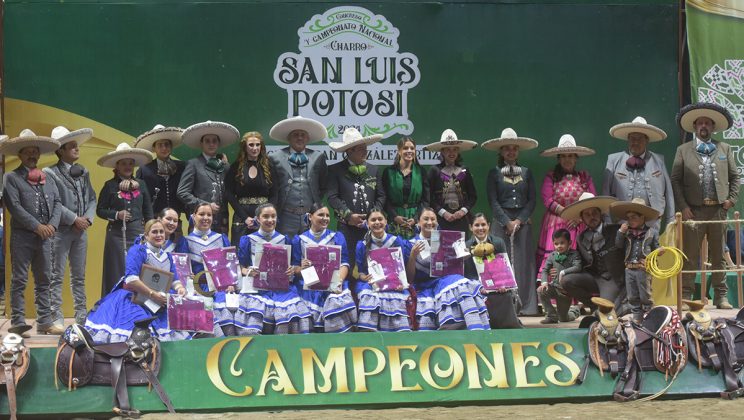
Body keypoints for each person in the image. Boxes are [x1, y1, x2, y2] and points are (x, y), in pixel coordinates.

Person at [671, 102, 739, 309]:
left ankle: (721, 297)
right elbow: (675, 180)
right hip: (693, 211)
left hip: (718, 210)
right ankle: (686, 295)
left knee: (718, 256)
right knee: (690, 256)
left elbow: (735, 177)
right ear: (694, 127)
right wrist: (683, 206)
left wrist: (731, 200)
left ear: (712, 127)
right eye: (700, 123)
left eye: (707, 123)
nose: (704, 126)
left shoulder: (724, 148)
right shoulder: (683, 150)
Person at [84, 219, 189, 343]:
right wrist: (152, 294)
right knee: (140, 329)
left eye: (161, 232)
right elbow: (131, 279)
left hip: (158, 302)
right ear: (146, 235)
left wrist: (180, 288)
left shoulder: (168, 256)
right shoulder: (138, 251)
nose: (159, 235)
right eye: (154, 232)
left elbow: (174, 279)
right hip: (135, 299)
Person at [1, 130, 62, 336]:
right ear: (20, 155)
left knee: (44, 279)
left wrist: (52, 225)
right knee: (19, 280)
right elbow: (14, 207)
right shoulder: (11, 177)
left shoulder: (48, 179)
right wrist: (38, 226)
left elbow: (57, 204)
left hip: (45, 237)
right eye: (27, 152)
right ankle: (18, 322)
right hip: (22, 237)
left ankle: (45, 321)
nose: (32, 155)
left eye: (35, 151)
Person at [44, 126, 97, 326]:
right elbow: (53, 203)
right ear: (61, 150)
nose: (76, 149)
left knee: (79, 276)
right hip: (61, 232)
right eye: (72, 146)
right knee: (56, 275)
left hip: (81, 232)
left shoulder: (84, 171)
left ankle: (81, 315)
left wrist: (88, 219)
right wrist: (75, 218)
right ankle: (55, 316)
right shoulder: (50, 173)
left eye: (76, 146)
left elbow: (92, 198)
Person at [482, 128, 539, 315]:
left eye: (514, 149)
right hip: (501, 223)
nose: (511, 152)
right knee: (500, 262)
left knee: (523, 264)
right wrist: (507, 222)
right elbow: (493, 200)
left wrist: (519, 220)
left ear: (518, 151)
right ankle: (504, 307)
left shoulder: (527, 172)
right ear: (501, 151)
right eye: (507, 149)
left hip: (522, 224)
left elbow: (532, 200)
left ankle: (527, 307)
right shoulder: (494, 172)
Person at [406, 208, 489, 330]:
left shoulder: (449, 239)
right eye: (426, 219)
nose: (430, 222)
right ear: (418, 222)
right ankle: (448, 326)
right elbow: (409, 279)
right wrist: (413, 256)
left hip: (444, 281)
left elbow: (455, 267)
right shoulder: (410, 244)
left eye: (433, 219)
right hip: (424, 286)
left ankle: (474, 328)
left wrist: (463, 257)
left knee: (460, 282)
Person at [237, 203, 311, 334]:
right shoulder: (247, 240)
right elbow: (240, 266)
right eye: (266, 216)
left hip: (281, 289)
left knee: (289, 320)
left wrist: (291, 271)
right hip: (256, 288)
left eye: (273, 216)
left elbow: (292, 265)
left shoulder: (285, 239)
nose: (270, 220)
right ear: (258, 219)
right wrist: (248, 271)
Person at [537, 134, 596, 284]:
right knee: (556, 259)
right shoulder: (551, 176)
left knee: (577, 260)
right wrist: (568, 214)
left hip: (579, 224)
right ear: (558, 158)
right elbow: (547, 199)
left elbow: (592, 198)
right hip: (557, 223)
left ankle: (577, 297)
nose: (567, 159)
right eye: (563, 156)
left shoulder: (584, 177)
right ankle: (553, 294)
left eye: (570, 156)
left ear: (576, 158)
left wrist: (578, 217)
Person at [96, 143, 154, 297]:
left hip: (138, 233)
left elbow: (148, 210)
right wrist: (116, 215)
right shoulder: (110, 186)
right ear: (117, 165)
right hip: (116, 235)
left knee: (139, 268)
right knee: (116, 268)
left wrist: (150, 231)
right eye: (124, 163)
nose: (128, 167)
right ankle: (115, 302)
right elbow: (100, 210)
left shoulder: (141, 184)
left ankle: (139, 303)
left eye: (130, 163)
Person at [291, 204, 357, 332]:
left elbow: (344, 263)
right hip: (308, 284)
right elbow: (295, 268)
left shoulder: (337, 237)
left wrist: (338, 282)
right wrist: (301, 268)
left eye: (327, 215)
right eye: (321, 215)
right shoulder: (299, 239)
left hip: (333, 282)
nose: (325, 218)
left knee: (337, 300)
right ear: (310, 217)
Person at [327, 127, 386, 272]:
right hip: (346, 227)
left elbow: (381, 195)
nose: (365, 151)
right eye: (361, 149)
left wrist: (374, 216)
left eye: (365, 148)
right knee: (347, 261)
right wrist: (348, 216)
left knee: (372, 263)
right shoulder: (335, 170)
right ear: (349, 151)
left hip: (371, 227)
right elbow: (332, 197)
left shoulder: (373, 169)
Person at [559, 193, 626, 313]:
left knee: (607, 310)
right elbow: (581, 264)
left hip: (612, 279)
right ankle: (594, 306)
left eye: (594, 213)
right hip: (594, 278)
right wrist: (563, 271)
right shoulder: (581, 237)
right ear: (582, 218)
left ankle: (604, 308)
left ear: (600, 214)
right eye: (587, 214)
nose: (592, 217)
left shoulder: (616, 230)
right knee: (566, 280)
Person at [603, 116, 674, 228]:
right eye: (632, 138)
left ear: (647, 140)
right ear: (628, 139)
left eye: (639, 138)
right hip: (622, 221)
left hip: (652, 221)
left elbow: (668, 192)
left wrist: (671, 220)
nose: (635, 142)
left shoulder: (658, 160)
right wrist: (607, 221)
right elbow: (606, 193)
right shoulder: (614, 160)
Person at [175, 203, 232, 335]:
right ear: (193, 217)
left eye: (209, 215)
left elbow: (230, 265)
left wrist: (230, 283)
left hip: (221, 288)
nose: (205, 218)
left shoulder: (221, 238)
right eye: (201, 214)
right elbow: (182, 271)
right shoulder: (185, 241)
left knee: (229, 322)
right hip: (198, 289)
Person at [268, 116, 328, 238]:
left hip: (311, 215)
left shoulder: (318, 157)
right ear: (288, 138)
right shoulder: (275, 157)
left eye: (303, 134)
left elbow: (323, 185)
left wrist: (313, 206)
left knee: (310, 250)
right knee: (286, 250)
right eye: (295, 134)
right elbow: (272, 187)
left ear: (308, 138)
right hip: (285, 215)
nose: (299, 137)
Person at [177, 120, 239, 234]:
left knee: (222, 251)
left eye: (214, 141)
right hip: (200, 222)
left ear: (218, 144)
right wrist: (205, 206)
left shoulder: (225, 166)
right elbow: (182, 192)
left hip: (222, 222)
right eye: (207, 141)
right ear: (201, 144)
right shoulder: (193, 164)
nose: (211, 144)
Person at [354, 209, 411, 332]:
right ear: (367, 223)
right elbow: (360, 272)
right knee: (368, 295)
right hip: (371, 283)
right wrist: (364, 277)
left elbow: (402, 268)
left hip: (394, 282)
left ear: (386, 222)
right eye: (373, 220)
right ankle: (369, 332)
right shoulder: (361, 245)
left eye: (380, 219)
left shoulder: (396, 241)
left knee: (396, 297)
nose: (377, 222)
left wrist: (402, 282)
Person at [464, 213, 521, 329]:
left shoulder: (498, 242)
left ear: (488, 225)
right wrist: (478, 287)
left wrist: (504, 284)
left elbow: (505, 267)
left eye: (483, 225)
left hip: (497, 286)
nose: (480, 228)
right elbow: (467, 273)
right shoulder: (466, 246)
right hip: (476, 287)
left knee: (505, 295)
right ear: (471, 227)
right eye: (477, 225)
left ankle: (508, 326)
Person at [610, 198, 660, 324]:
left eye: (633, 217)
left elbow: (656, 249)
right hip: (629, 268)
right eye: (628, 218)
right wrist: (620, 232)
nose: (630, 221)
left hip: (643, 268)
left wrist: (659, 251)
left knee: (645, 294)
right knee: (632, 295)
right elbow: (618, 245)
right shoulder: (626, 233)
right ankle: (637, 315)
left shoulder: (652, 232)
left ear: (642, 217)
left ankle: (648, 314)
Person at [134, 125, 186, 236]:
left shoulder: (182, 167)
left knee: (177, 251)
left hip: (175, 221)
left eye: (166, 145)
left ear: (171, 147)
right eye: (160, 145)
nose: (164, 148)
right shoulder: (144, 169)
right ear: (154, 148)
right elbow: (139, 196)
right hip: (153, 220)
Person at [225, 131, 274, 246]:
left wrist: (266, 215)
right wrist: (245, 217)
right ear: (244, 147)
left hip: (263, 215)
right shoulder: (235, 167)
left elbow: (275, 194)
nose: (254, 148)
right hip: (241, 216)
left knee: (264, 252)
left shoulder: (269, 166)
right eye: (251, 145)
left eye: (257, 145)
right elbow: (229, 194)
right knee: (240, 250)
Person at [424, 129, 478, 232]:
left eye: (454, 149)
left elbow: (473, 196)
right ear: (442, 151)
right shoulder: (434, 170)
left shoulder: (464, 170)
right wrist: (443, 213)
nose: (451, 153)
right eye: (448, 149)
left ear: (458, 151)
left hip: (462, 220)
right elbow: (428, 197)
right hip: (439, 220)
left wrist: (463, 211)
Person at [382, 137, 430, 239]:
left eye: (412, 148)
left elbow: (425, 200)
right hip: (394, 221)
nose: (409, 151)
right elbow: (384, 198)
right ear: (399, 151)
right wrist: (394, 216)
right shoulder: (389, 172)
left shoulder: (421, 172)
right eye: (405, 148)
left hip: (415, 220)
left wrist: (416, 218)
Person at [537, 229, 581, 324]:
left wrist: (564, 272)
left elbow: (578, 267)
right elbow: (545, 270)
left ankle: (575, 311)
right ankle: (551, 316)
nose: (559, 246)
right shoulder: (552, 256)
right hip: (554, 287)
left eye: (562, 243)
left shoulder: (574, 254)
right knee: (541, 290)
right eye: (556, 244)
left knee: (563, 319)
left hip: (564, 292)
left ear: (569, 243)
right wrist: (544, 282)